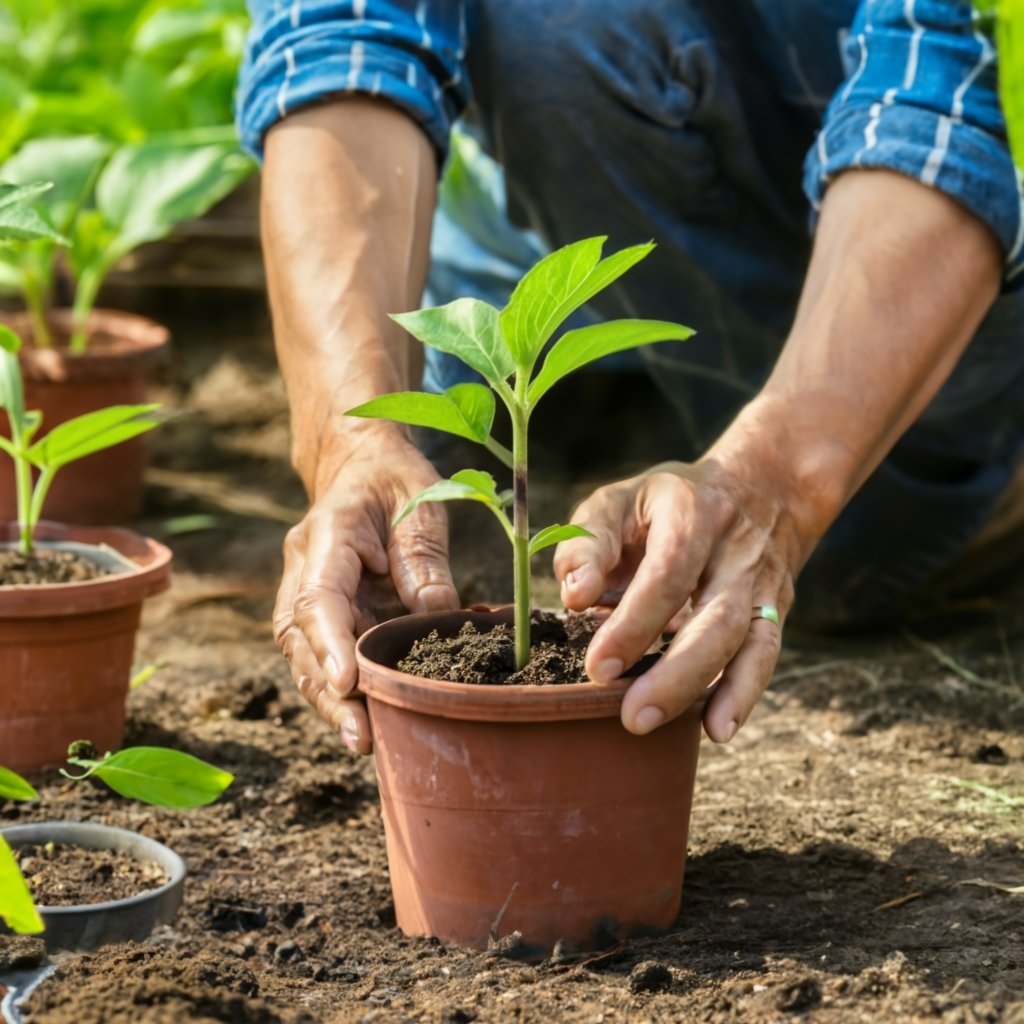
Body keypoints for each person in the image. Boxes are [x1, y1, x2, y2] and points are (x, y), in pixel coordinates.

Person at [236, 0, 1024, 755]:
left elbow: (945, 107)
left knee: (867, 544)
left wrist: (776, 481)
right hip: (612, 205)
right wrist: (352, 439)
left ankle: (944, 475)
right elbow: (344, 32)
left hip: (950, 252)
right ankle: (700, 413)